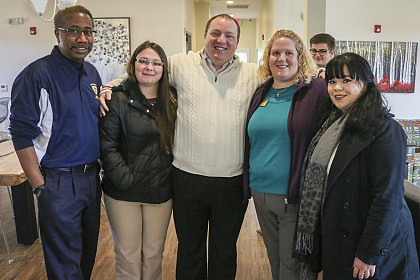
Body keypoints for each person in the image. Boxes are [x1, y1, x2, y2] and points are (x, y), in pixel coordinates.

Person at [99, 14, 261, 280]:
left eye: (229, 36)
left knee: (224, 251)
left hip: (232, 181)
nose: (221, 41)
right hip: (186, 178)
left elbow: (288, 72)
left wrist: (320, 74)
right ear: (205, 36)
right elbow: (143, 71)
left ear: (237, 41)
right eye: (215, 33)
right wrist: (108, 86)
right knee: (190, 249)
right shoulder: (180, 64)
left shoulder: (253, 73)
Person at [295, 53, 420, 280]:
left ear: (365, 83)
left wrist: (369, 253)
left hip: (374, 248)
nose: (337, 88)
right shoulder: (333, 124)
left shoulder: (385, 130)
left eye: (346, 80)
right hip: (342, 237)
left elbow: (387, 198)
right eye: (332, 81)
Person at [9, 5, 102, 279]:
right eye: (73, 31)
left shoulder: (92, 74)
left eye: (87, 32)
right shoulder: (36, 75)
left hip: (90, 179)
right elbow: (21, 133)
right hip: (58, 183)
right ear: (57, 33)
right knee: (64, 265)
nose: (82, 39)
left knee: (86, 257)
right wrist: (39, 187)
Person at [243, 29, 328, 280]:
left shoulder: (316, 91)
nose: (282, 58)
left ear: (300, 58)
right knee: (275, 259)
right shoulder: (261, 92)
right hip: (260, 192)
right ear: (267, 58)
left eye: (289, 53)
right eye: (275, 53)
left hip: (293, 195)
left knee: (292, 265)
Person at [99, 41, 176, 280]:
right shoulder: (115, 99)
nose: (149, 67)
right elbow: (107, 147)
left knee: (153, 256)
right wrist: (126, 180)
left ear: (164, 69)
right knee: (128, 256)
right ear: (132, 65)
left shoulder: (173, 100)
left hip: (160, 191)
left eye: (156, 63)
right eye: (143, 61)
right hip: (124, 194)